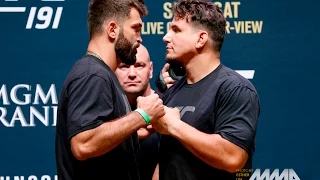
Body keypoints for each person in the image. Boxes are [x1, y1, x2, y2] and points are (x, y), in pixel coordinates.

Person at [55, 1, 165, 180]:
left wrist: (132, 134)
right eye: (135, 28)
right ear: (112, 29)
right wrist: (142, 115)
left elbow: (98, 139)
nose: (140, 38)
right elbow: (83, 144)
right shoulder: (93, 74)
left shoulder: (102, 74)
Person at [151, 0, 260, 180]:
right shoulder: (173, 91)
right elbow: (167, 158)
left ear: (201, 39)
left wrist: (174, 126)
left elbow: (233, 158)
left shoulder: (234, 88)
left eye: (176, 30)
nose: (166, 37)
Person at [115, 44, 160, 180]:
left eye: (139, 65)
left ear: (150, 69)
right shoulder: (106, 113)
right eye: (124, 66)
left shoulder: (166, 106)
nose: (132, 74)